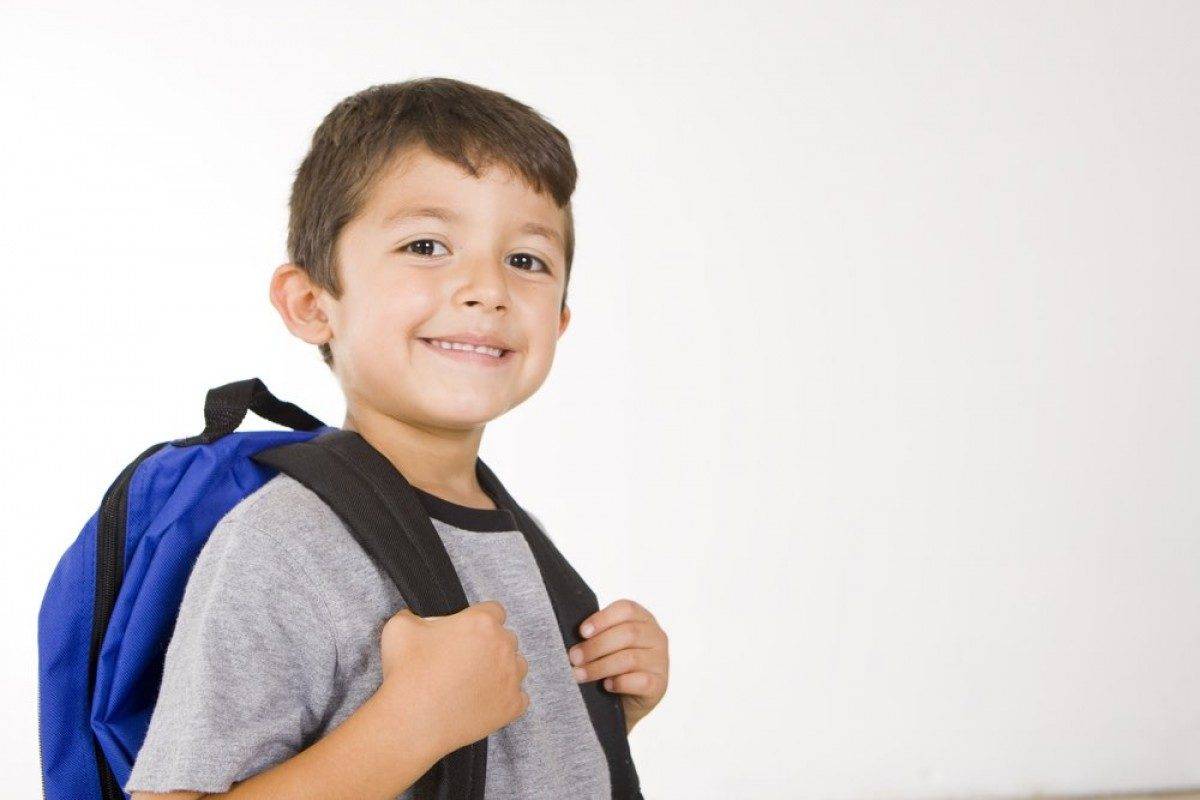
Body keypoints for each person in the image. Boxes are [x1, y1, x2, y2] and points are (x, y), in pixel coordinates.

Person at [124, 77, 670, 800]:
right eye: (426, 244)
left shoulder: (517, 533)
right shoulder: (285, 542)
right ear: (313, 304)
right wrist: (412, 722)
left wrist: (603, 711)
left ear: (559, 322)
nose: (488, 288)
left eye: (527, 260)